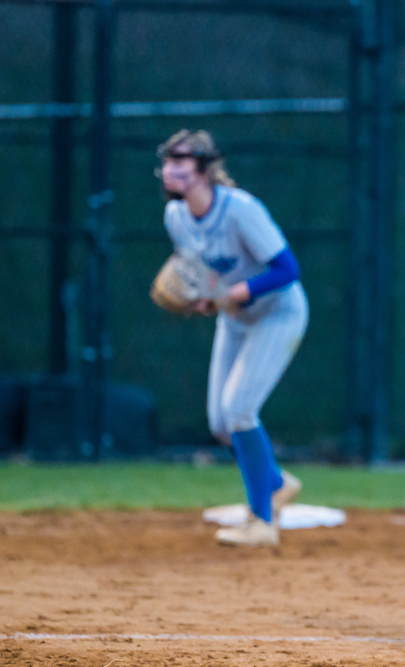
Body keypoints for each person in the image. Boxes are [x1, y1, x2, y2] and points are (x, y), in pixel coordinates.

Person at [157, 129, 307, 547]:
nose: (170, 169)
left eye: (180, 161)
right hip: (236, 319)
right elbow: (206, 277)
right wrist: (204, 299)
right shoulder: (176, 217)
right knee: (222, 424)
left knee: (240, 409)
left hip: (278, 313)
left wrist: (229, 295)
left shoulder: (239, 209)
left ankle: (262, 522)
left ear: (204, 169)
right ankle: (274, 485)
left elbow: (286, 269)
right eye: (168, 161)